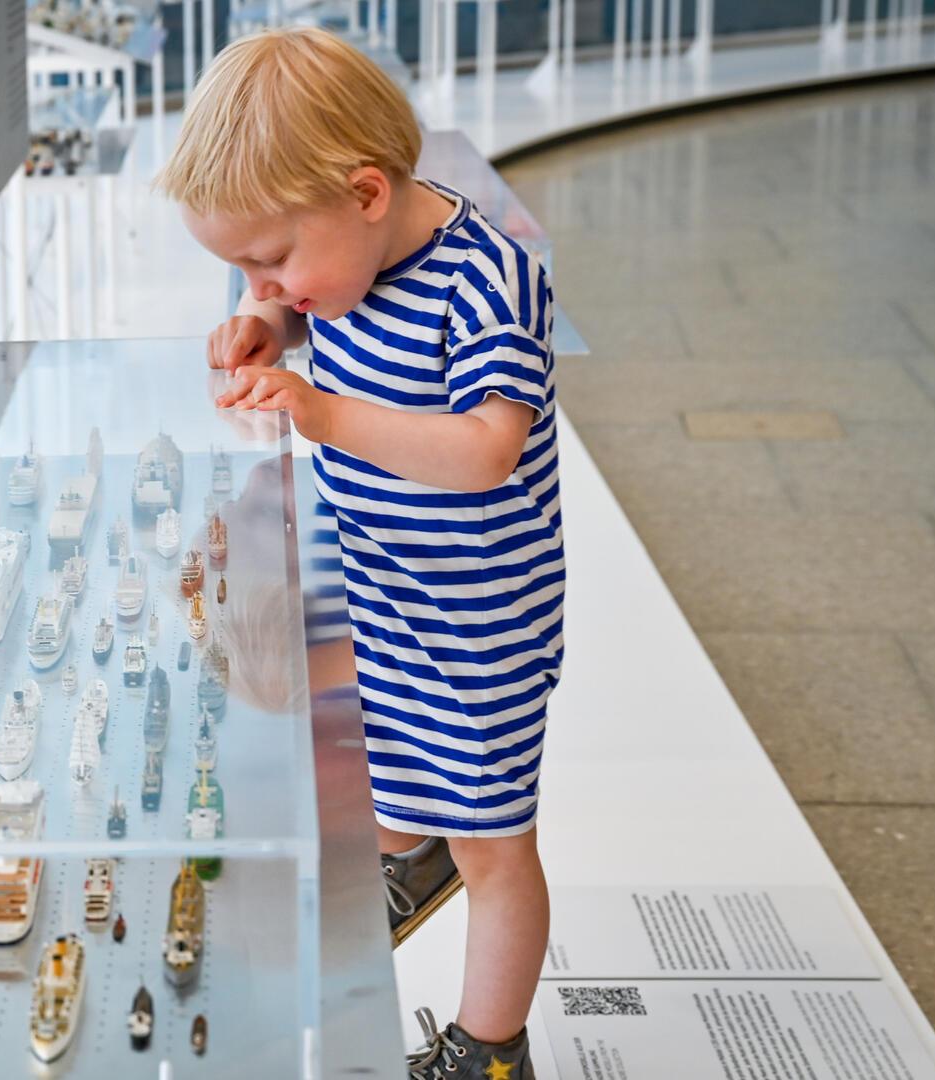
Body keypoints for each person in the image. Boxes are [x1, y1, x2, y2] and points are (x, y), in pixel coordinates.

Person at [155, 27, 563, 1080]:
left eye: (271, 260)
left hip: (481, 628)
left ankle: (490, 1049)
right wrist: (266, 332)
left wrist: (322, 412)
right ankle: (415, 855)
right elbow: (317, 307)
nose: (263, 285)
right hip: (388, 587)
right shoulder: (342, 267)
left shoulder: (491, 282)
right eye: (240, 268)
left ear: (369, 194)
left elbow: (485, 448)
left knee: (499, 849)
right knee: (384, 761)